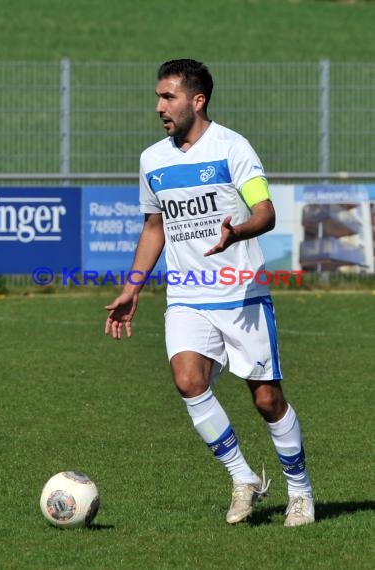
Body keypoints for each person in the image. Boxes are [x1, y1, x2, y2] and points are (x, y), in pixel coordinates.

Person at [105, 59, 314, 527]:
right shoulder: (152, 160)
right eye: (158, 96)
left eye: (169, 96)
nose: (160, 106)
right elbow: (154, 227)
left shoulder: (232, 148)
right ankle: (244, 479)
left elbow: (266, 212)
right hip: (186, 294)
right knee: (187, 381)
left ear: (197, 101)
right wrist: (132, 288)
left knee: (266, 400)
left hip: (241, 295)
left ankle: (300, 491)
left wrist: (236, 233)